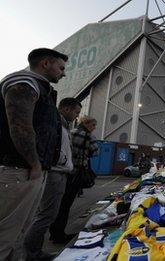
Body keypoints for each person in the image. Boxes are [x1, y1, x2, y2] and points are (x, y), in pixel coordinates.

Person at [0, 48, 67, 260]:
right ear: (45, 64)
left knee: (19, 234)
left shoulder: (41, 90)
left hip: (30, 170)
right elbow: (20, 127)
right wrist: (35, 164)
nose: (63, 73)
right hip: (18, 170)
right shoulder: (24, 84)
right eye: (61, 67)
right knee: (6, 235)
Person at [24, 98, 81, 260]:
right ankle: (31, 253)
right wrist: (61, 161)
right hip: (55, 172)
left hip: (59, 172)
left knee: (46, 214)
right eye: (76, 112)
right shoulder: (55, 123)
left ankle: (35, 251)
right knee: (46, 215)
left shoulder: (63, 125)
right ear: (67, 109)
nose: (77, 116)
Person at [49, 115, 98, 244]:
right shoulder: (87, 136)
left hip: (66, 172)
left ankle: (53, 232)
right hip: (76, 174)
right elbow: (95, 151)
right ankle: (59, 234)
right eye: (93, 125)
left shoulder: (71, 131)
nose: (94, 128)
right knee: (66, 205)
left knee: (60, 204)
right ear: (87, 124)